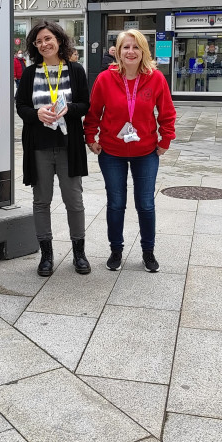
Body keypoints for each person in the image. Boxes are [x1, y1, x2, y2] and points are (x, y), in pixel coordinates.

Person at [85, 29, 176, 272]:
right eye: (126, 47)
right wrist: (90, 137)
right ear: (118, 51)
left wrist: (165, 140)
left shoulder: (155, 78)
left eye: (136, 47)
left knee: (145, 204)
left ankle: (148, 251)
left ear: (144, 50)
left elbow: (167, 113)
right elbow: (93, 113)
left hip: (146, 151)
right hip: (111, 151)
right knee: (116, 203)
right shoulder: (106, 78)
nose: (131, 52)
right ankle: (116, 249)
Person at [16, 21, 91, 277]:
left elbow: (85, 104)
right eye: (38, 41)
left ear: (58, 40)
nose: (44, 44)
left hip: (69, 146)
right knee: (41, 201)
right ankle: (46, 255)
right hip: (39, 146)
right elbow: (21, 108)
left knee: (74, 201)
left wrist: (70, 109)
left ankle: (79, 253)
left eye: (48, 38)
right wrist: (37, 113)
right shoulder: (29, 73)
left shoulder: (75, 70)